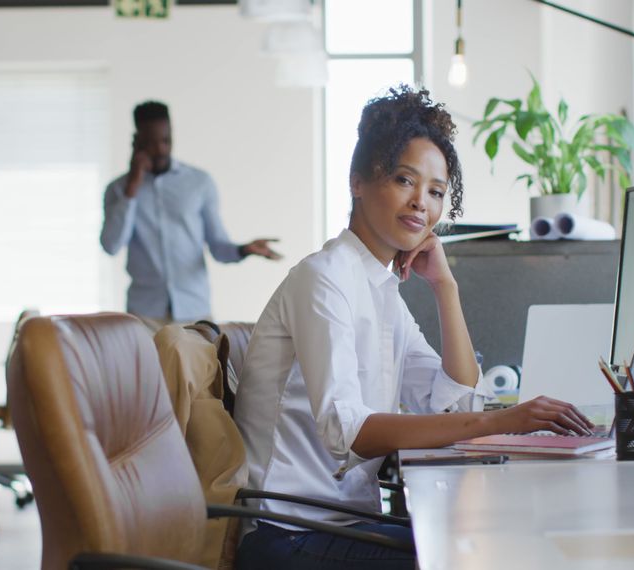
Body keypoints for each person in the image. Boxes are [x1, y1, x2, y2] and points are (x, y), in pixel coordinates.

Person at [233, 86, 594, 570]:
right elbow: (349, 430)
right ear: (358, 181)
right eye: (405, 180)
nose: (420, 202)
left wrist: (445, 287)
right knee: (480, 554)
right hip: (289, 535)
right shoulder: (324, 279)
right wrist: (502, 421)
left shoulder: (380, 290)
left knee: (496, 537)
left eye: (436, 192)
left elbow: (458, 399)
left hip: (343, 523)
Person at [100, 101, 283, 329]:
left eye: (166, 141)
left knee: (201, 366)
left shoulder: (199, 183)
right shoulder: (118, 190)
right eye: (151, 143)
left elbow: (218, 246)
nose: (160, 150)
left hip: (194, 312)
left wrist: (243, 250)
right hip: (144, 315)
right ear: (137, 141)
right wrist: (133, 186)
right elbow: (111, 245)